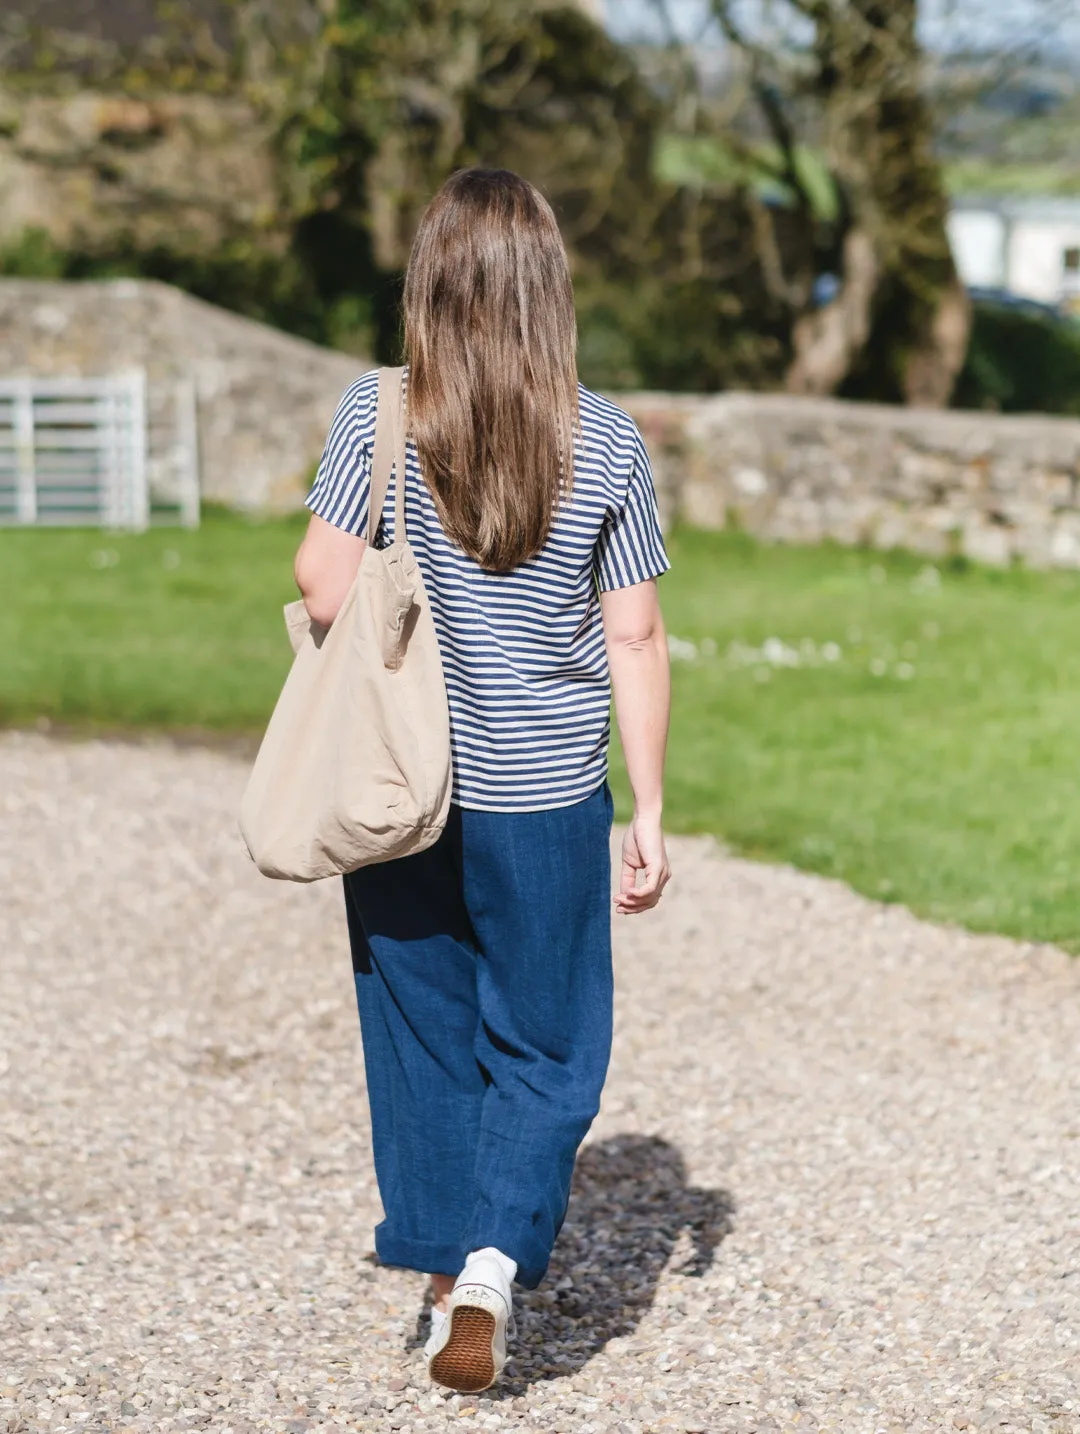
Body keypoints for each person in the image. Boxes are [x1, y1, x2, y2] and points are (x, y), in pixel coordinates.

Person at [293, 167, 671, 1394]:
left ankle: (450, 1268)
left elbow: (323, 582)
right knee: (549, 1043)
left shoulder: (380, 414)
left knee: (422, 1030)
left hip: (407, 786)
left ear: (430, 283)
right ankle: (499, 1261)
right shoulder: (605, 435)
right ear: (547, 288)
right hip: (548, 794)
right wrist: (652, 807)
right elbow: (634, 635)